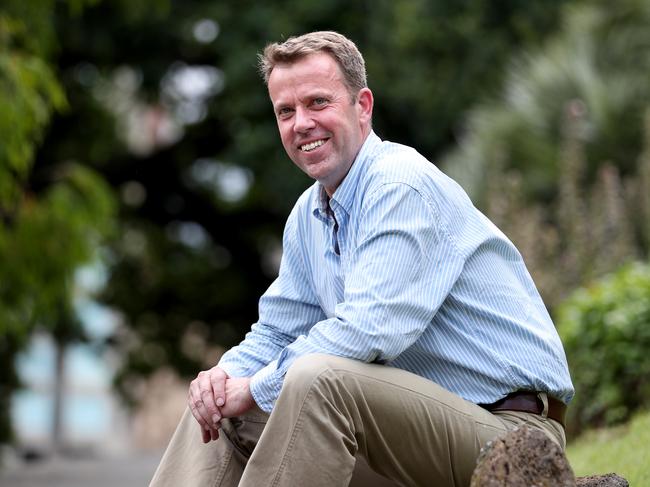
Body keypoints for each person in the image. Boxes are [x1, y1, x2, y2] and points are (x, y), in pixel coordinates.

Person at [150, 31, 574, 487]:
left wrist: (253, 387)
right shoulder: (307, 214)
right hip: (405, 437)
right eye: (285, 111)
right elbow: (276, 330)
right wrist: (225, 377)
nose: (301, 124)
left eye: (317, 103)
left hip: (510, 437)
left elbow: (368, 330)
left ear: (363, 106)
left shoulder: (399, 186)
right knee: (219, 414)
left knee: (318, 379)